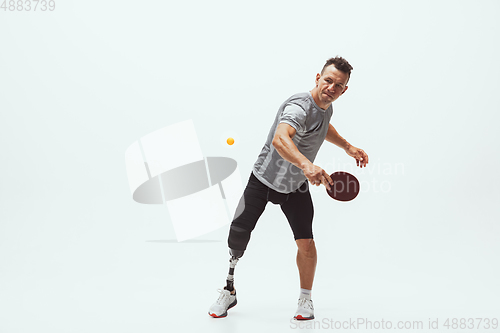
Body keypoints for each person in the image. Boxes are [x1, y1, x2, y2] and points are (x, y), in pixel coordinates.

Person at [208, 56, 368, 320]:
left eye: (338, 85)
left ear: (344, 89)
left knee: (306, 242)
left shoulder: (325, 108)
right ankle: (229, 289)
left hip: (295, 186)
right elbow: (281, 138)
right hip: (263, 181)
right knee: (238, 236)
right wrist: (307, 165)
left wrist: (347, 146)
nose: (332, 87)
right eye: (328, 80)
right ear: (318, 78)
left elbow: (323, 126)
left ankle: (305, 299)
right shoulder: (299, 107)